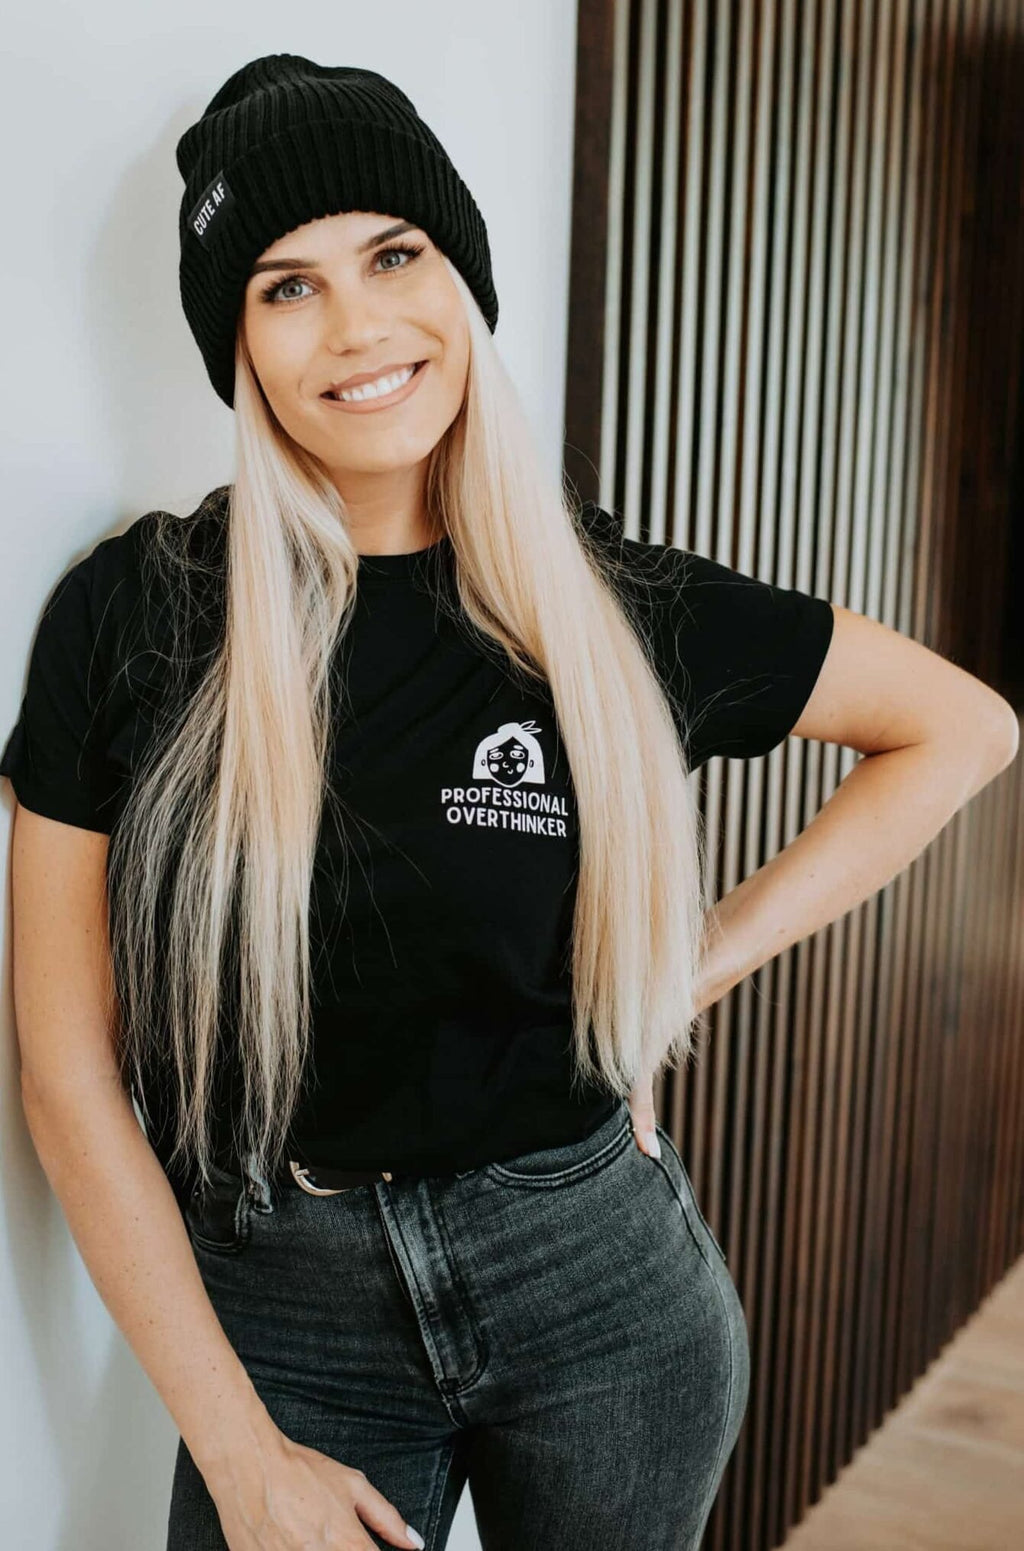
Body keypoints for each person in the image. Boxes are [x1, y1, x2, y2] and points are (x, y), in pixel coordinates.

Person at [3, 51, 1017, 1551]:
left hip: (600, 1289)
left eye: (393, 256)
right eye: (286, 286)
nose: (357, 327)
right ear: (237, 343)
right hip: (290, 1313)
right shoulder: (140, 618)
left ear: (460, 279)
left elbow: (961, 729)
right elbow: (67, 1075)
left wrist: (688, 970)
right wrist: (236, 1450)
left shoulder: (605, 606)